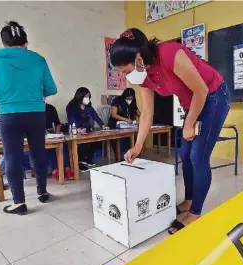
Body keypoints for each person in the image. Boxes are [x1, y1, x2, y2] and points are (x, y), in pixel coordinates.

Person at [110, 28, 230, 234]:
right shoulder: (143, 77)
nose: (127, 77)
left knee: (197, 155)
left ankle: (196, 212)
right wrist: (138, 146)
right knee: (184, 153)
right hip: (191, 104)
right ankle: (189, 199)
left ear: (139, 57)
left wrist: (190, 123)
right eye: (122, 73)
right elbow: (147, 112)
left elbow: (201, 90)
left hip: (213, 97)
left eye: (127, 71)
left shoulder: (169, 53)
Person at [0, 21, 57, 215]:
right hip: (37, 113)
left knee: (13, 157)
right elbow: (51, 88)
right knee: (38, 153)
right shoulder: (38, 59)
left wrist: (0, 90)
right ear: (25, 41)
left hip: (9, 114)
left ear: (4, 42)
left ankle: (19, 203)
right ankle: (42, 192)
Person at [66, 87, 108, 171]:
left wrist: (103, 125)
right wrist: (78, 129)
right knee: (80, 143)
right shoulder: (71, 106)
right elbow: (71, 119)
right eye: (86, 96)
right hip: (75, 131)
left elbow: (95, 116)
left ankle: (87, 158)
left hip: (88, 130)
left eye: (89, 96)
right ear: (80, 96)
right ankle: (80, 161)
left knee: (99, 139)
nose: (87, 99)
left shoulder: (89, 107)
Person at [108, 88, 141, 159]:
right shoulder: (117, 100)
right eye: (128, 98)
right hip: (115, 124)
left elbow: (139, 114)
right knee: (117, 138)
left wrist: (140, 121)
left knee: (133, 137)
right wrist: (125, 119)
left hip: (127, 125)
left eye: (131, 98)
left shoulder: (133, 102)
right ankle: (118, 156)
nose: (130, 100)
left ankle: (132, 155)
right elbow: (114, 114)